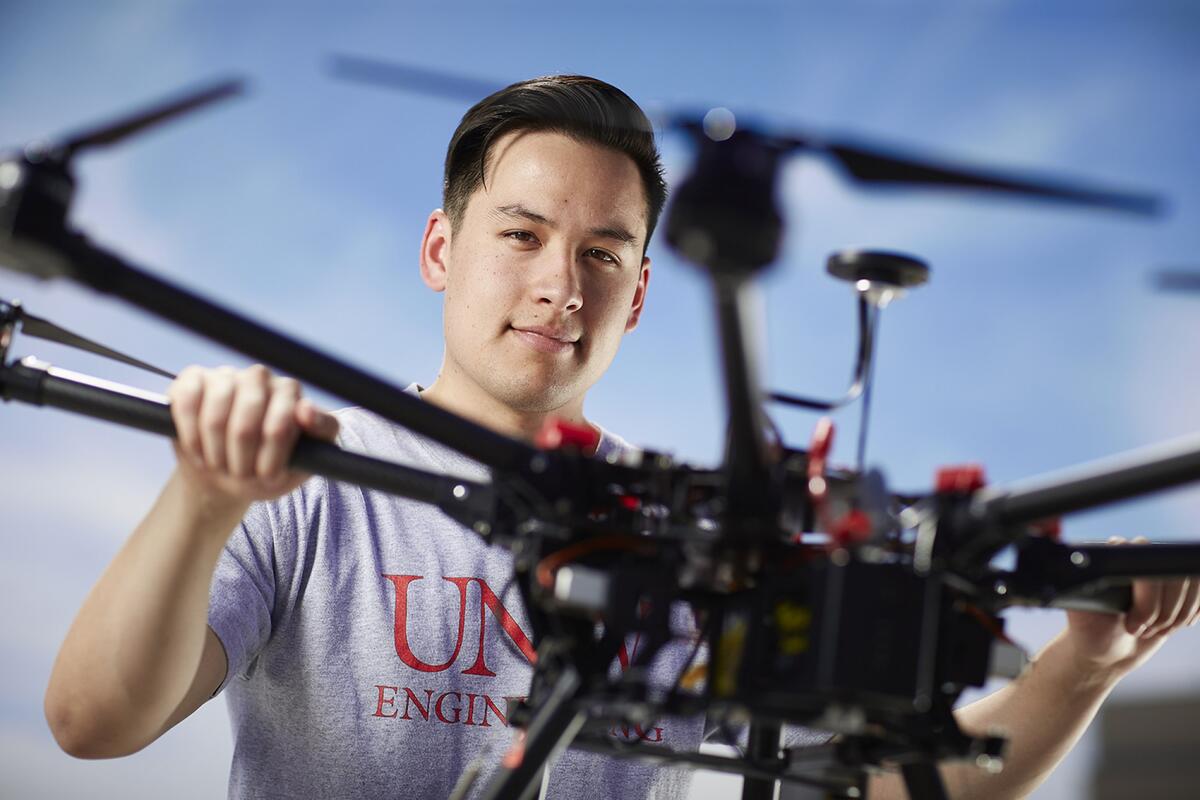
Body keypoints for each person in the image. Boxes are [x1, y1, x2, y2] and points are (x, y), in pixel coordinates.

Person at [43, 74, 1199, 800]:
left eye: (603, 254)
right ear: (442, 249)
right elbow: (95, 720)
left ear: (639, 293)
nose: (561, 284)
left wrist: (1084, 664)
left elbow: (892, 784)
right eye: (523, 232)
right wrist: (201, 499)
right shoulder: (305, 480)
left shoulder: (692, 537)